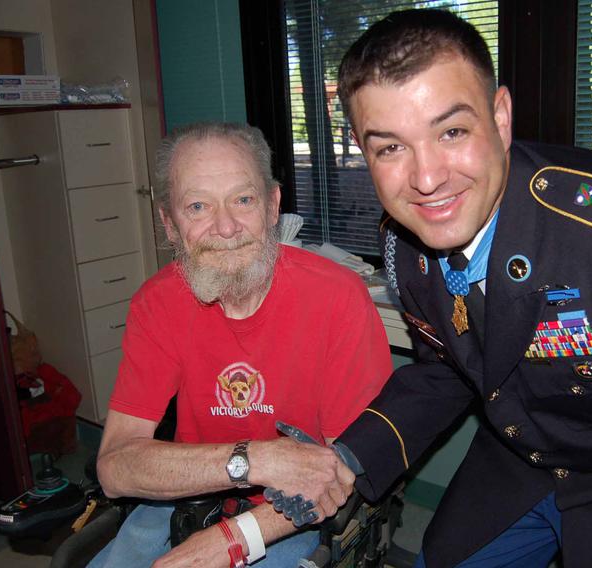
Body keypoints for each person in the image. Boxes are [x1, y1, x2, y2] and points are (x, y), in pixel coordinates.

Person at [322, 8, 592, 568]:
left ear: (501, 117)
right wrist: (350, 456)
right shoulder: (404, 243)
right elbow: (447, 369)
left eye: (452, 131)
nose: (427, 178)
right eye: (390, 147)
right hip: (518, 460)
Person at [89, 122, 392, 567]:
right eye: (198, 207)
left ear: (273, 207)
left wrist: (232, 539)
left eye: (243, 200)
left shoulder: (338, 297)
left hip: (293, 511)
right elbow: (114, 469)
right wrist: (253, 460)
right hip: (189, 493)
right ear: (169, 225)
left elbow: (337, 475)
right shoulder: (156, 304)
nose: (226, 227)